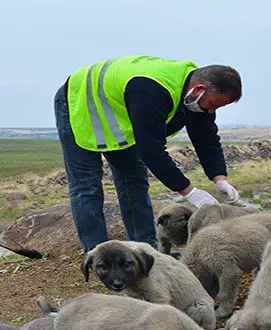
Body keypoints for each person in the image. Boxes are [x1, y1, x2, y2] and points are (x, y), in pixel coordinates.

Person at [54, 55, 243, 252]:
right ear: (199, 89)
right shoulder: (151, 90)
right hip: (80, 102)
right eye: (213, 104)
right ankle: (98, 254)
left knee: (134, 179)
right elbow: (151, 151)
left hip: (119, 115)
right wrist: (190, 192)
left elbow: (206, 136)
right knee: (87, 186)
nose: (212, 110)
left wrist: (219, 178)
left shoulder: (191, 93)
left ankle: (144, 250)